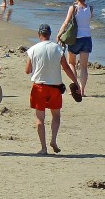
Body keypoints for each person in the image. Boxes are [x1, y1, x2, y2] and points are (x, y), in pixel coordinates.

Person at [25, 23, 79, 155]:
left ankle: (43, 148)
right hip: (55, 88)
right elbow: (66, 67)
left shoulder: (33, 49)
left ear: (39, 34)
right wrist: (75, 81)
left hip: (39, 87)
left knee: (40, 119)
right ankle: (53, 140)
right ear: (49, 34)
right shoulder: (58, 48)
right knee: (56, 116)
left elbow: (27, 70)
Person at [58, 0, 93, 96]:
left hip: (75, 39)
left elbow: (66, 22)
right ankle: (82, 91)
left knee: (71, 63)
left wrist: (59, 34)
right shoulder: (90, 8)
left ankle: (76, 86)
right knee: (84, 67)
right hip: (87, 38)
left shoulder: (73, 8)